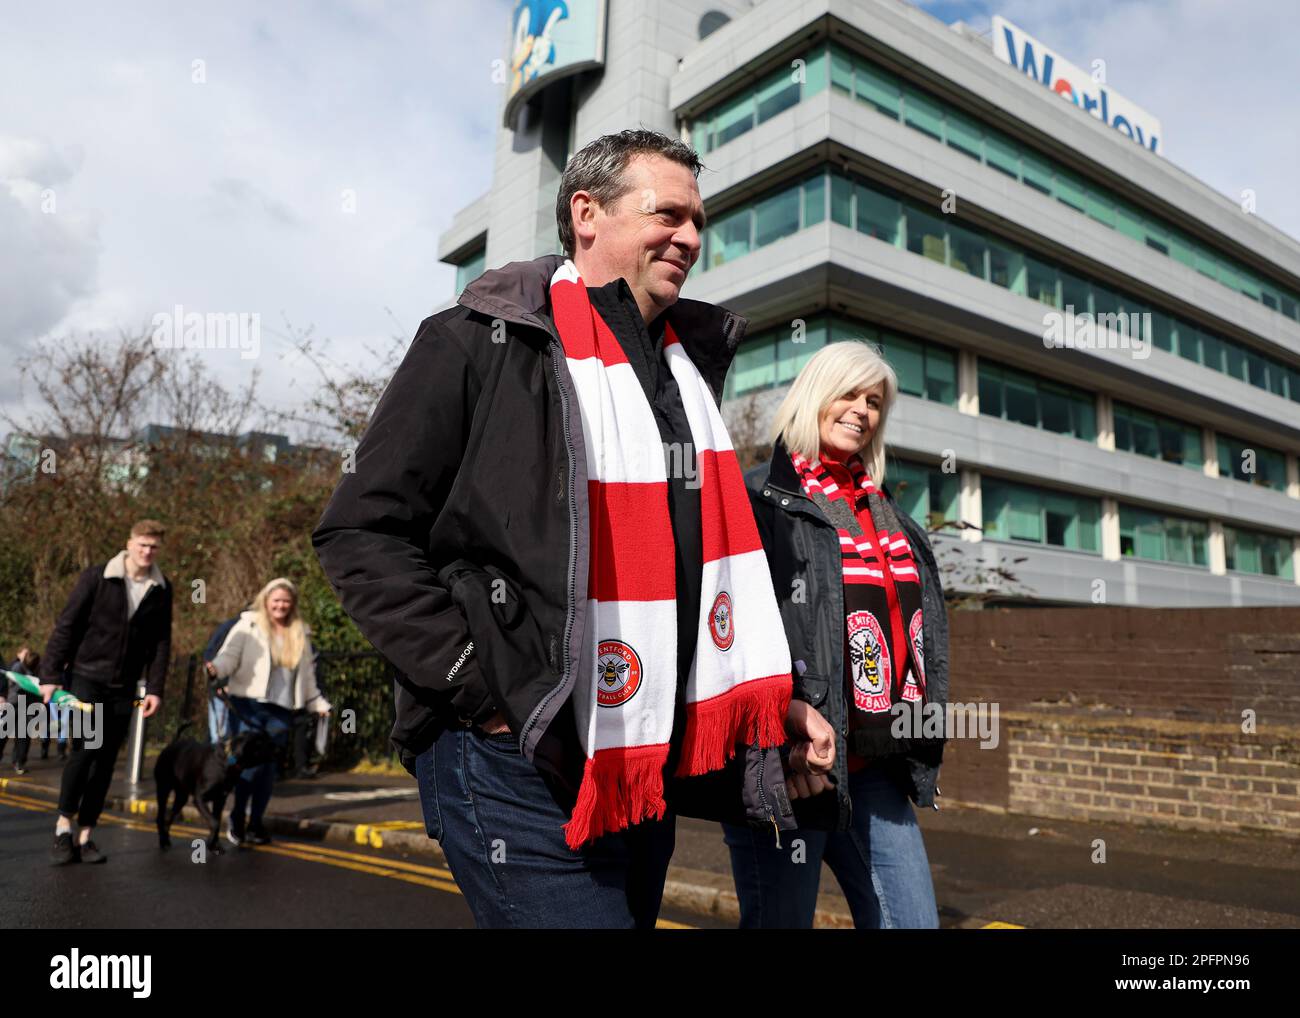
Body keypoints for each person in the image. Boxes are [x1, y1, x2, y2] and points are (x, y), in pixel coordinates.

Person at [313, 129, 811, 929]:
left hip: (640, 765)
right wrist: (484, 684)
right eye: (669, 214)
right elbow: (360, 533)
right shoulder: (475, 342)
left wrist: (774, 697)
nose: (690, 237)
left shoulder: (684, 377)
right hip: (512, 753)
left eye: (698, 221)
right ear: (587, 213)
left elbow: (700, 576)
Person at [724, 341, 950, 928]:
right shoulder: (755, 499)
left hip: (875, 767)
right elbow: (728, 634)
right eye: (848, 393)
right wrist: (778, 734)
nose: (861, 410)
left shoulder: (893, 521)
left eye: (873, 401)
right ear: (814, 397)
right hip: (788, 768)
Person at [39, 520, 172, 865]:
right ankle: (63, 827)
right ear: (129, 543)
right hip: (86, 677)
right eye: (142, 544)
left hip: (124, 687)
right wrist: (50, 674)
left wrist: (154, 688)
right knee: (85, 752)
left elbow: (161, 643)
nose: (147, 552)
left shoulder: (161, 588)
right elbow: (67, 625)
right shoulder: (98, 577)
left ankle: (86, 835)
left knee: (106, 762)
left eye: (154, 547)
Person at [205, 578, 330, 846]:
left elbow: (307, 677)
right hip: (247, 705)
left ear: (292, 604)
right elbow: (229, 656)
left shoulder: (300, 632)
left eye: (286, 601)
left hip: (281, 711)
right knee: (248, 769)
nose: (281, 605)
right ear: (266, 600)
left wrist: (317, 703)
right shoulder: (248, 625)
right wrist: (217, 669)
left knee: (268, 772)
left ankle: (256, 823)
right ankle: (237, 819)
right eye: (276, 600)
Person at [1, 647, 41, 774]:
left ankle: (19, 762)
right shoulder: (17, 667)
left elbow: (39, 690)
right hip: (14, 704)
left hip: (28, 706)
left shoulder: (38, 671)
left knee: (23, 737)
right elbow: (13, 684)